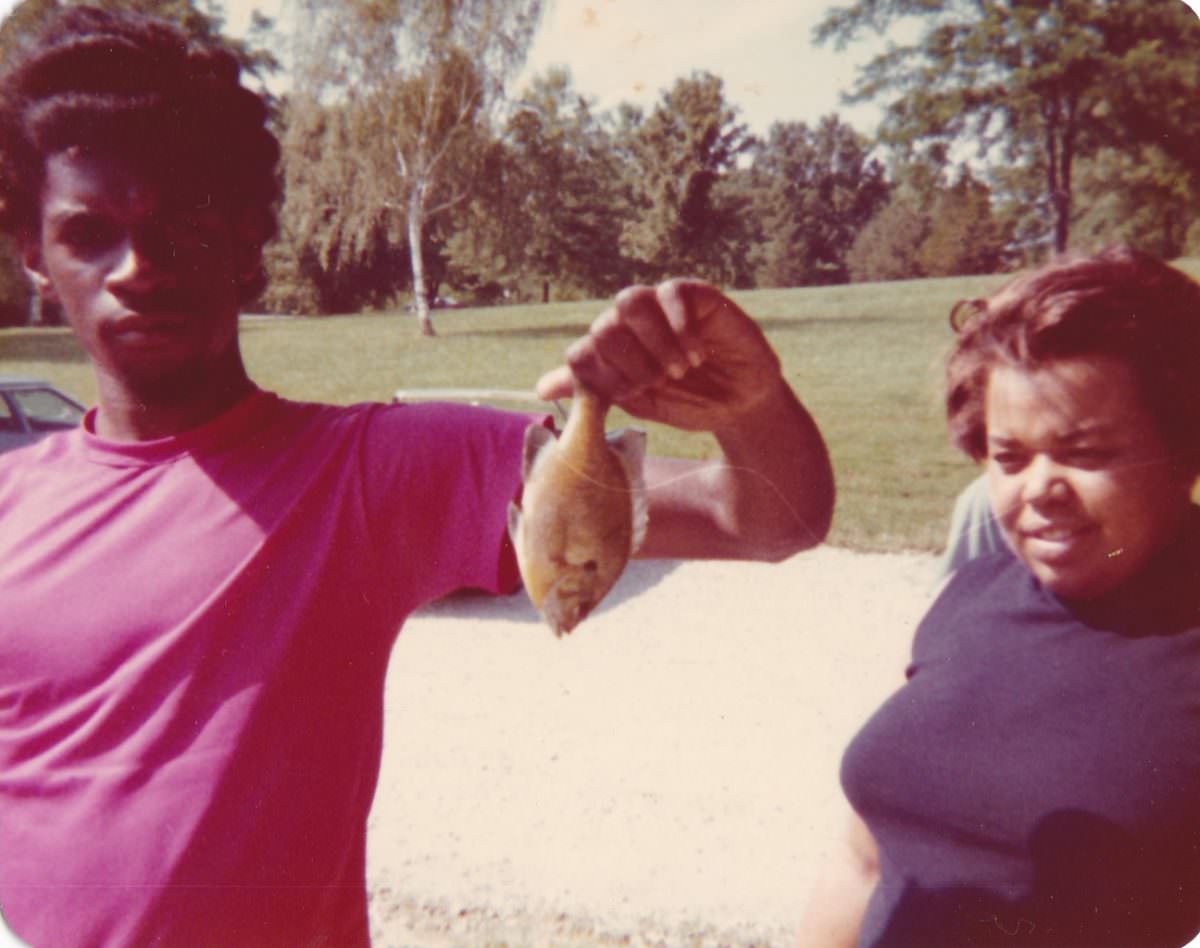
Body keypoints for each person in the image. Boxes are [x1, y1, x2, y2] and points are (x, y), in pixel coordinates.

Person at [0, 8, 834, 947]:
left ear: (242, 239)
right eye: (89, 233)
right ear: (33, 253)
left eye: (177, 226)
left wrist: (750, 404)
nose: (138, 267)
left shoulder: (371, 473)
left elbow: (767, 520)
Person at [805, 246, 1200, 947]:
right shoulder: (973, 593)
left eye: (1086, 452)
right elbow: (862, 861)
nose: (1039, 489)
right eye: (1009, 457)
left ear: (1183, 447)